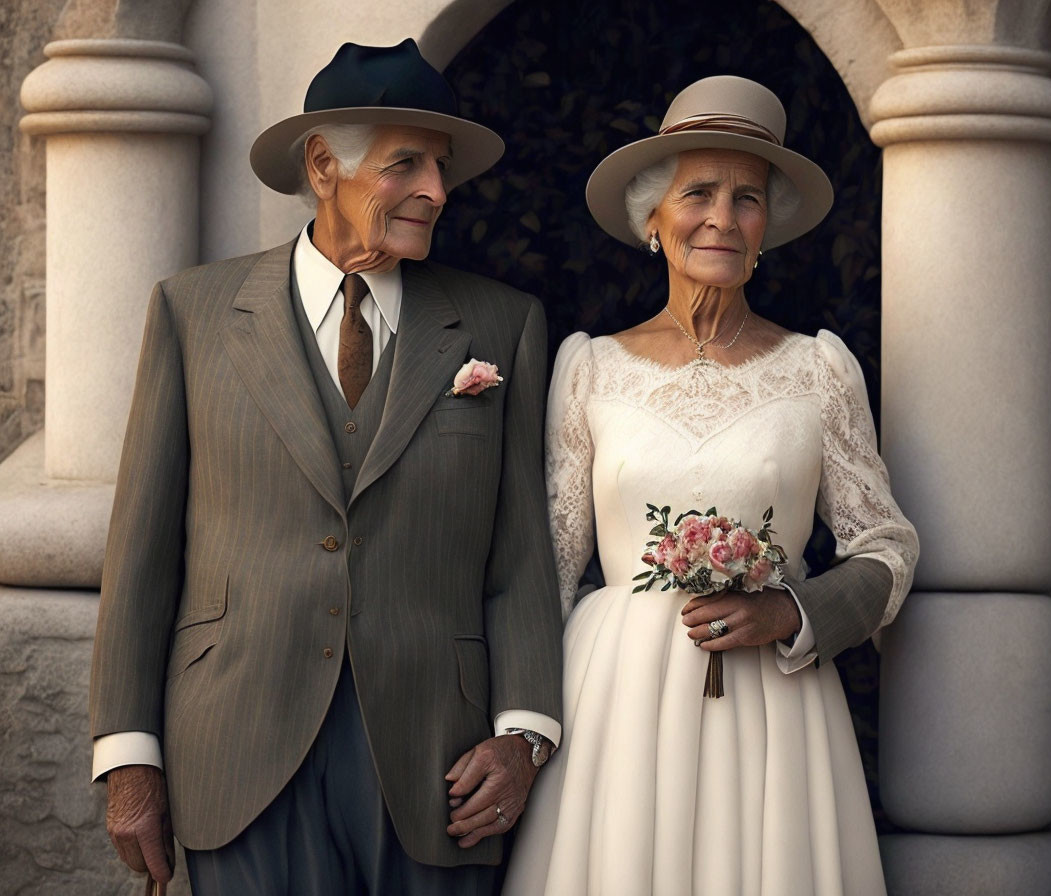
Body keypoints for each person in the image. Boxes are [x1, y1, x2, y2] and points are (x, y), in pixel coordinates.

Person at [89, 40, 563, 896]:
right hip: (235, 747)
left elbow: (523, 558)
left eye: (440, 167)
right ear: (321, 165)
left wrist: (524, 734)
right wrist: (128, 758)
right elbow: (141, 554)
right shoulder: (192, 313)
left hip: (439, 758)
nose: (436, 191)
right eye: (405, 165)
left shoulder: (503, 325)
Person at [503, 76, 919, 895]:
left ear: (767, 228)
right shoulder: (588, 367)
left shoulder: (819, 369)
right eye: (698, 193)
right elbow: (547, 567)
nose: (722, 219)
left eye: (747, 198)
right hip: (614, 706)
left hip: (773, 706)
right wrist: (525, 732)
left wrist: (793, 610)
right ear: (653, 219)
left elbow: (887, 546)